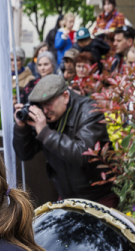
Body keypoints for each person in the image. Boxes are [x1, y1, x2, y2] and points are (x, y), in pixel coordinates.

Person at [13, 74, 115, 207]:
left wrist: (45, 132)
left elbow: (83, 154)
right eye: (41, 105)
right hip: (67, 198)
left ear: (66, 96)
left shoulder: (90, 111)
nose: (45, 110)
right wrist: (22, 128)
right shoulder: (46, 116)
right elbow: (24, 154)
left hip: (99, 198)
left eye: (49, 103)